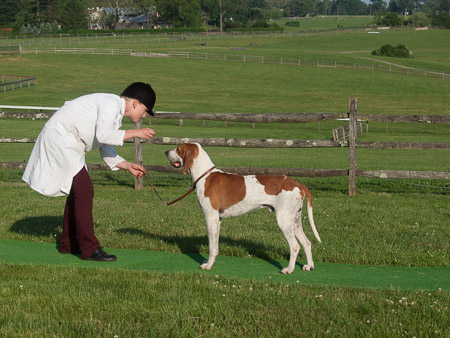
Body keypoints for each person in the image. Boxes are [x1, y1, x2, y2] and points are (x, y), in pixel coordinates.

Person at [22, 82, 156, 262]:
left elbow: (106, 147)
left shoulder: (114, 114)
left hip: (70, 144)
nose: (144, 115)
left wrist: (126, 165)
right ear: (135, 103)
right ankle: (89, 248)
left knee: (78, 191)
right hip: (61, 140)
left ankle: (68, 244)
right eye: (145, 110)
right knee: (84, 190)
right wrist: (135, 133)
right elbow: (103, 135)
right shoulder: (110, 103)